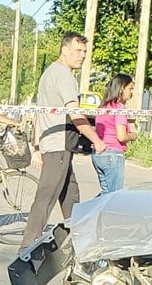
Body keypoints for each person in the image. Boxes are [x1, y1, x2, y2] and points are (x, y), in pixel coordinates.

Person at [18, 32, 104, 247]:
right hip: (59, 144)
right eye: (78, 51)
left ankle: (76, 242)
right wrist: (97, 139)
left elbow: (41, 112)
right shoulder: (64, 75)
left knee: (71, 196)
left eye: (84, 51)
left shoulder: (49, 73)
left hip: (55, 144)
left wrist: (38, 144)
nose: (82, 56)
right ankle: (27, 246)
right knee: (46, 197)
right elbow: (75, 114)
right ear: (64, 50)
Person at [94, 73, 133, 195]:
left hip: (99, 154)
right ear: (121, 89)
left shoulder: (104, 106)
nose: (131, 92)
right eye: (130, 89)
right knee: (114, 196)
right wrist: (133, 135)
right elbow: (121, 136)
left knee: (106, 194)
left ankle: (91, 212)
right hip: (113, 154)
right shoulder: (119, 108)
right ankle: (87, 212)